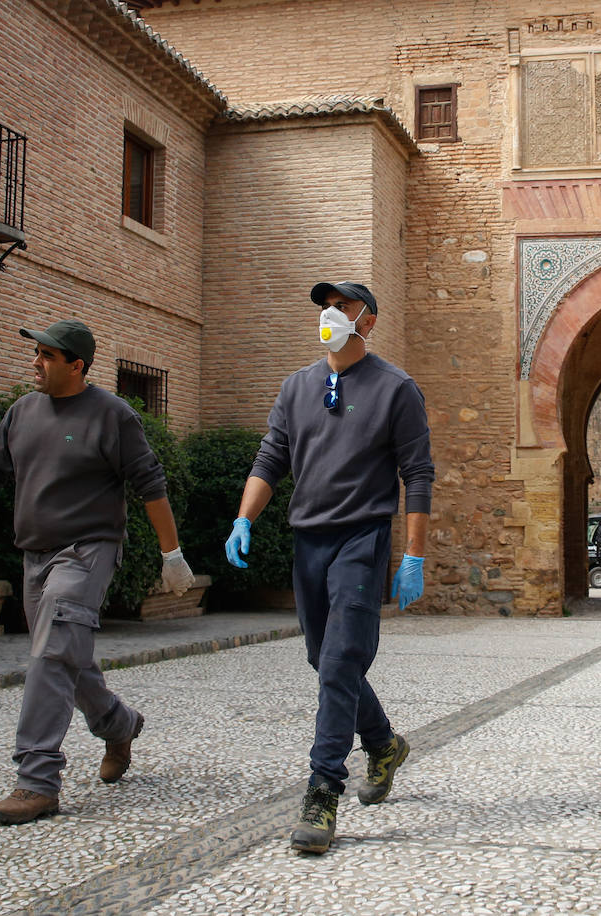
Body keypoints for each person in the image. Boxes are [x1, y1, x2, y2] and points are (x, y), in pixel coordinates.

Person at [0, 319, 195, 825]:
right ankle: (119, 725)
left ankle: (37, 780)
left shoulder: (113, 416)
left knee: (50, 654)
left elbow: (151, 485)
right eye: (37, 352)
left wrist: (170, 555)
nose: (36, 362)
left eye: (47, 355)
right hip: (35, 555)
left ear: (77, 365)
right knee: (67, 656)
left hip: (87, 552)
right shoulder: (22, 412)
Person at [225, 280, 434, 855]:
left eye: (342, 306)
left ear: (367, 321)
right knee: (325, 659)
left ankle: (323, 790)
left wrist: (412, 553)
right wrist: (244, 518)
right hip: (307, 540)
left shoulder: (397, 389)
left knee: (342, 658)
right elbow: (271, 457)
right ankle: (384, 743)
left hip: (361, 540)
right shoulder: (297, 387)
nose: (330, 313)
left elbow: (418, 475)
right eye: (325, 304)